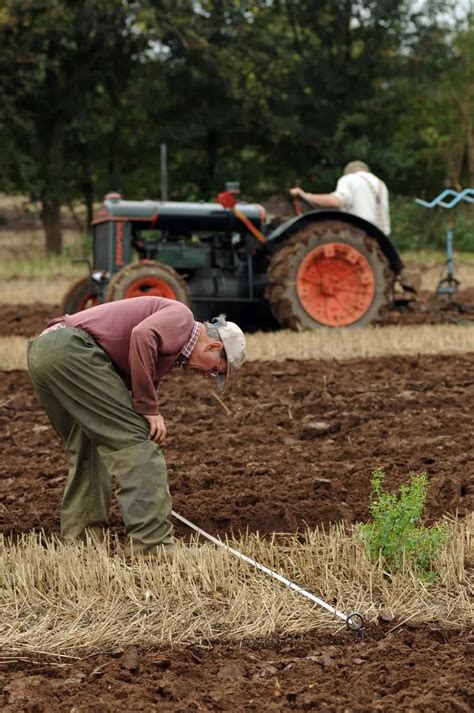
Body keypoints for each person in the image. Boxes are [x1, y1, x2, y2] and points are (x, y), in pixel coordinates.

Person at [27, 297, 246, 559]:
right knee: (138, 446)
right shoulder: (182, 318)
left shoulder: (171, 349)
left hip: (46, 351)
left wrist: (141, 411)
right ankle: (151, 546)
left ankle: (81, 545)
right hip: (73, 351)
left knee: (89, 445)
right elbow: (142, 335)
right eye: (215, 370)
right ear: (213, 345)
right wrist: (148, 410)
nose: (207, 375)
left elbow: (129, 378)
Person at [290, 160, 391, 236]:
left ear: (348, 172)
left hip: (360, 234)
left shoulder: (349, 179)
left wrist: (306, 196)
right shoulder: (381, 184)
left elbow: (336, 201)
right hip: (381, 236)